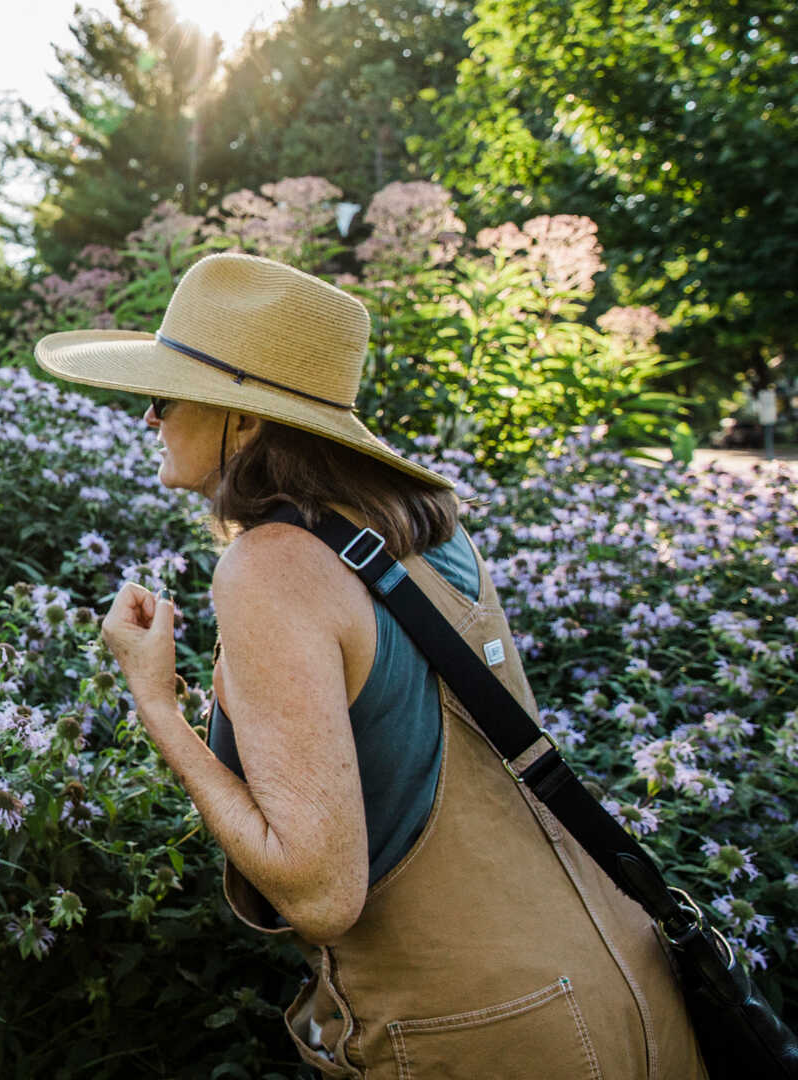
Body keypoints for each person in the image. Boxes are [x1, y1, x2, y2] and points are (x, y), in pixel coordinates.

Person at [34, 252, 706, 1079]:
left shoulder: (270, 567)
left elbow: (318, 896)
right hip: (631, 987)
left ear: (243, 421)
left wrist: (157, 702)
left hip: (485, 1033)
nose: (148, 418)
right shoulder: (429, 530)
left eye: (162, 396)